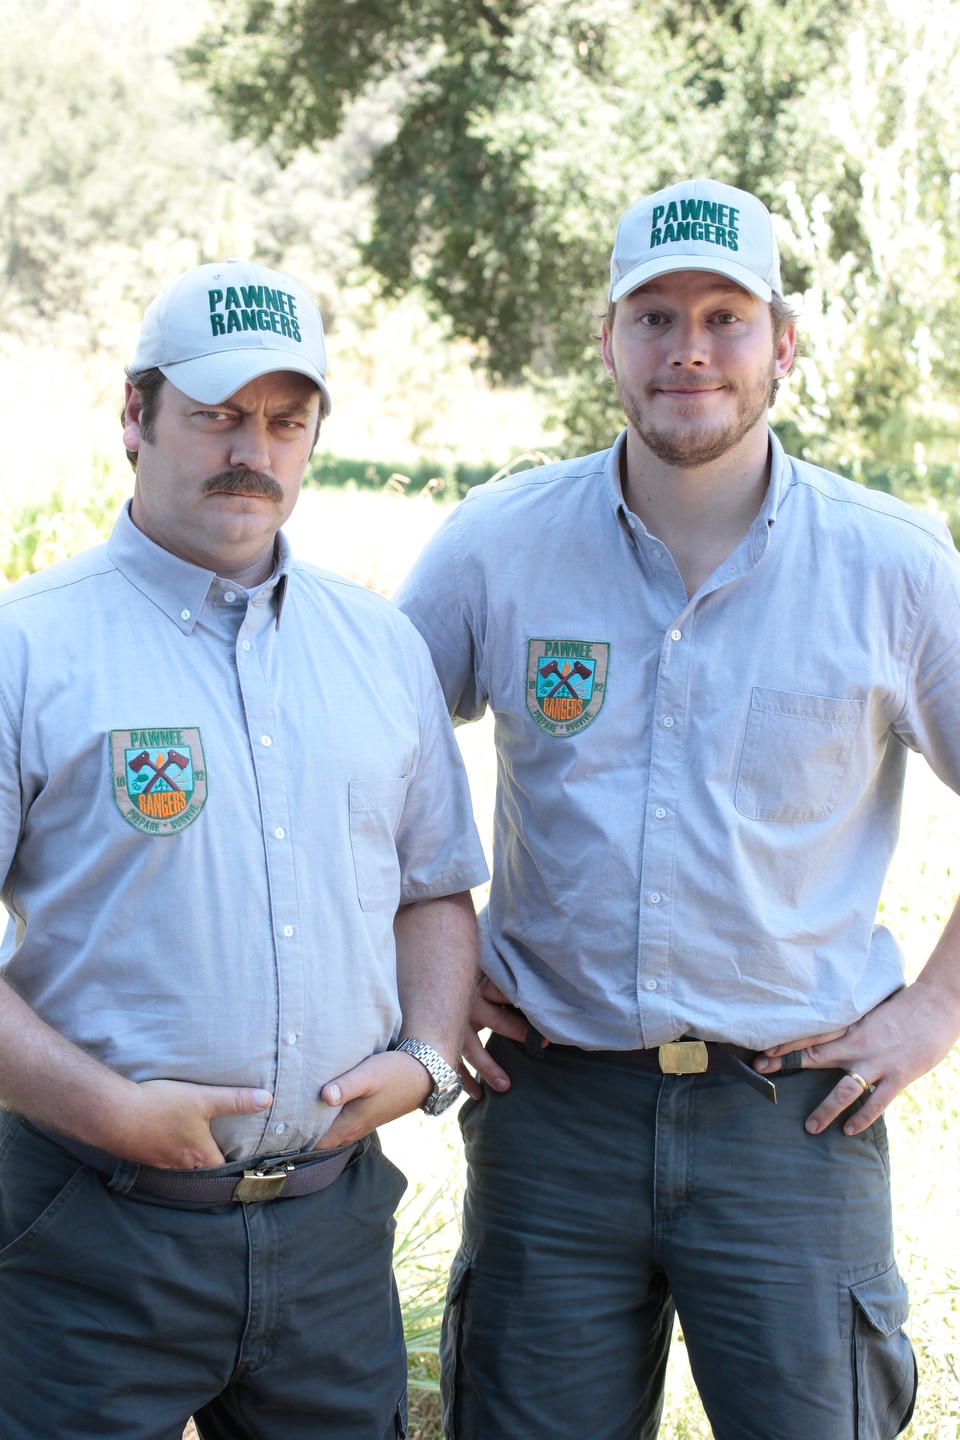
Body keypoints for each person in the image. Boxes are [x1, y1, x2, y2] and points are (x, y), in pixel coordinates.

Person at [395, 178, 960, 1440]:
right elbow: (345, 760)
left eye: (725, 315)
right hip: (552, 1116)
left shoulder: (897, 569)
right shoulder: (498, 544)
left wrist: (935, 1008)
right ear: (607, 339)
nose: (689, 347)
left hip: (793, 1123)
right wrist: (422, 967)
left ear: (783, 343)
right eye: (652, 316)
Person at [0, 259, 488, 1440]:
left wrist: (426, 1055)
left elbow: (433, 889)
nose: (251, 451)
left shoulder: (379, 647)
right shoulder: (30, 647)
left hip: (331, 1239)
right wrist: (113, 1112)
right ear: (135, 416)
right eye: (216, 415)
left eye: (284, 420)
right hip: (91, 1230)